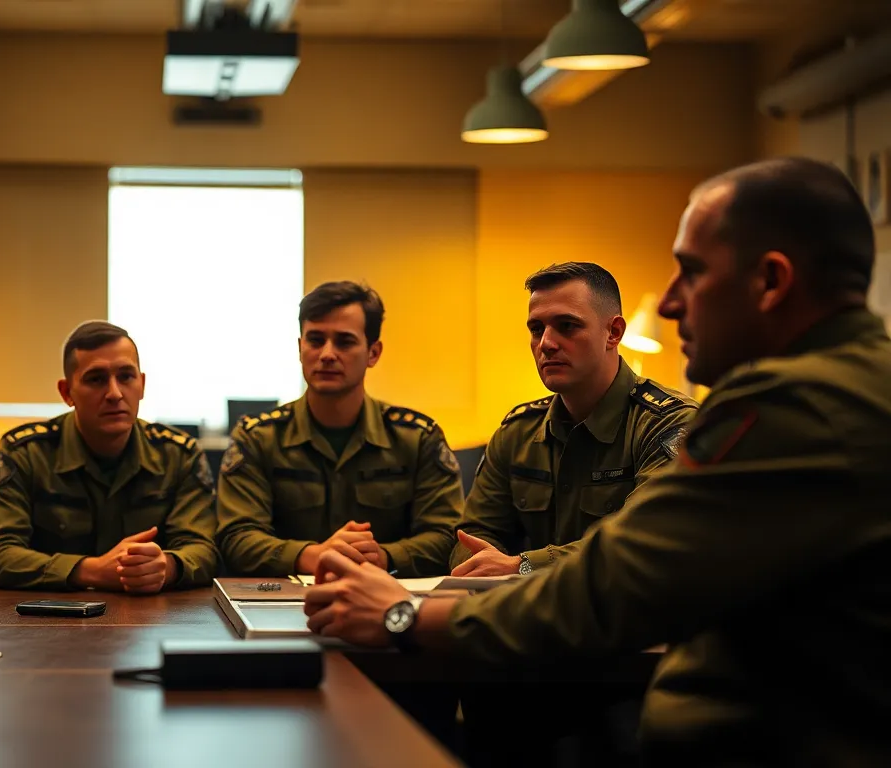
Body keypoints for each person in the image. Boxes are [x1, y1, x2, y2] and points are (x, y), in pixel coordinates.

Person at [303, 157, 891, 765]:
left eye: (690, 272)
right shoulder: (853, 386)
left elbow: (612, 586)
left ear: (771, 282)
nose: (666, 303)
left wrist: (401, 614)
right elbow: (477, 543)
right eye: (536, 328)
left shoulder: (794, 407)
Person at [450, 262, 697, 577]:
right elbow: (472, 533)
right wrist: (479, 561)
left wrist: (523, 565)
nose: (546, 344)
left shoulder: (669, 425)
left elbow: (643, 539)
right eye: (536, 329)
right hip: (524, 613)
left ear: (614, 332)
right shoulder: (518, 430)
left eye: (567, 326)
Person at [216, 281, 464, 577]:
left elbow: (447, 536)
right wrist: (312, 556)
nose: (327, 354)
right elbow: (236, 537)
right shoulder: (257, 437)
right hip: (279, 602)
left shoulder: (418, 438)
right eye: (315, 340)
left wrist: (384, 556)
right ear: (299, 348)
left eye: (344, 341)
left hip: (387, 598)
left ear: (373, 353)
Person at [0, 321, 219, 592]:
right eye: (96, 379)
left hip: (151, 620)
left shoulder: (178, 455)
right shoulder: (25, 453)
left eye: (126, 376)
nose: (114, 393)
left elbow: (205, 549)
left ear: (142, 384)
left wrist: (167, 567)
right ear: (67, 392)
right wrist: (90, 571)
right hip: (48, 621)